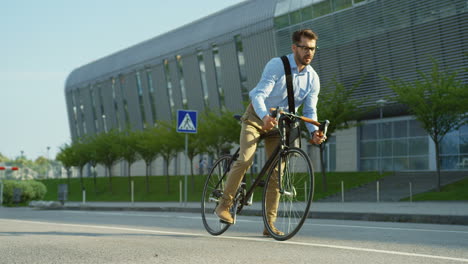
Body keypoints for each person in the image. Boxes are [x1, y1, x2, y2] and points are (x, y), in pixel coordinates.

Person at [215, 29, 326, 236]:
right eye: (305, 48)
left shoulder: (313, 78)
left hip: (282, 124)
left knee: (277, 174)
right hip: (257, 117)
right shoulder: (277, 65)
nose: (309, 53)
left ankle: (269, 224)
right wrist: (265, 116)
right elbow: (258, 95)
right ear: (294, 48)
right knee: (245, 159)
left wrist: (314, 131)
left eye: (312, 49)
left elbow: (310, 110)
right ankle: (224, 205)